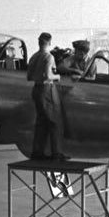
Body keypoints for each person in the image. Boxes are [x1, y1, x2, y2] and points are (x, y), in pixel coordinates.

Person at [27, 32, 66, 160]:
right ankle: (57, 153)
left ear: (39, 42)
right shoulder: (49, 57)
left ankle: (37, 153)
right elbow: (48, 76)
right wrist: (58, 76)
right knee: (55, 121)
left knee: (41, 122)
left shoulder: (33, 57)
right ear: (49, 43)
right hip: (47, 89)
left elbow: (29, 76)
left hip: (36, 89)